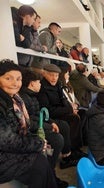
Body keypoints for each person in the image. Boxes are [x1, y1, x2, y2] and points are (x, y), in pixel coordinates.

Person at [0, 59, 57, 188]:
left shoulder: (14, 100)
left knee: (44, 155)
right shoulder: (5, 102)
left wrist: (38, 141)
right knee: (39, 162)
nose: (15, 83)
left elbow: (23, 126)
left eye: (18, 79)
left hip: (10, 148)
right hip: (3, 153)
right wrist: (38, 143)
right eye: (8, 78)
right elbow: (7, 141)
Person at [19, 69, 70, 187]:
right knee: (57, 139)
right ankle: (50, 172)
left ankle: (56, 166)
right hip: (31, 131)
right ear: (32, 83)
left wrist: (50, 123)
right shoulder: (25, 98)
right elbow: (29, 121)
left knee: (63, 127)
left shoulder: (31, 96)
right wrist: (48, 126)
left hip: (38, 126)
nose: (40, 84)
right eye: (39, 82)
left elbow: (38, 115)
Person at [37, 64, 85, 159]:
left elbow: (63, 99)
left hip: (61, 111)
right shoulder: (42, 88)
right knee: (73, 119)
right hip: (51, 116)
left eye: (56, 75)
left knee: (83, 113)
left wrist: (72, 108)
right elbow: (48, 111)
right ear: (44, 74)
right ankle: (68, 154)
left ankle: (77, 147)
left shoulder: (58, 84)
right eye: (51, 75)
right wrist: (69, 110)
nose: (54, 78)